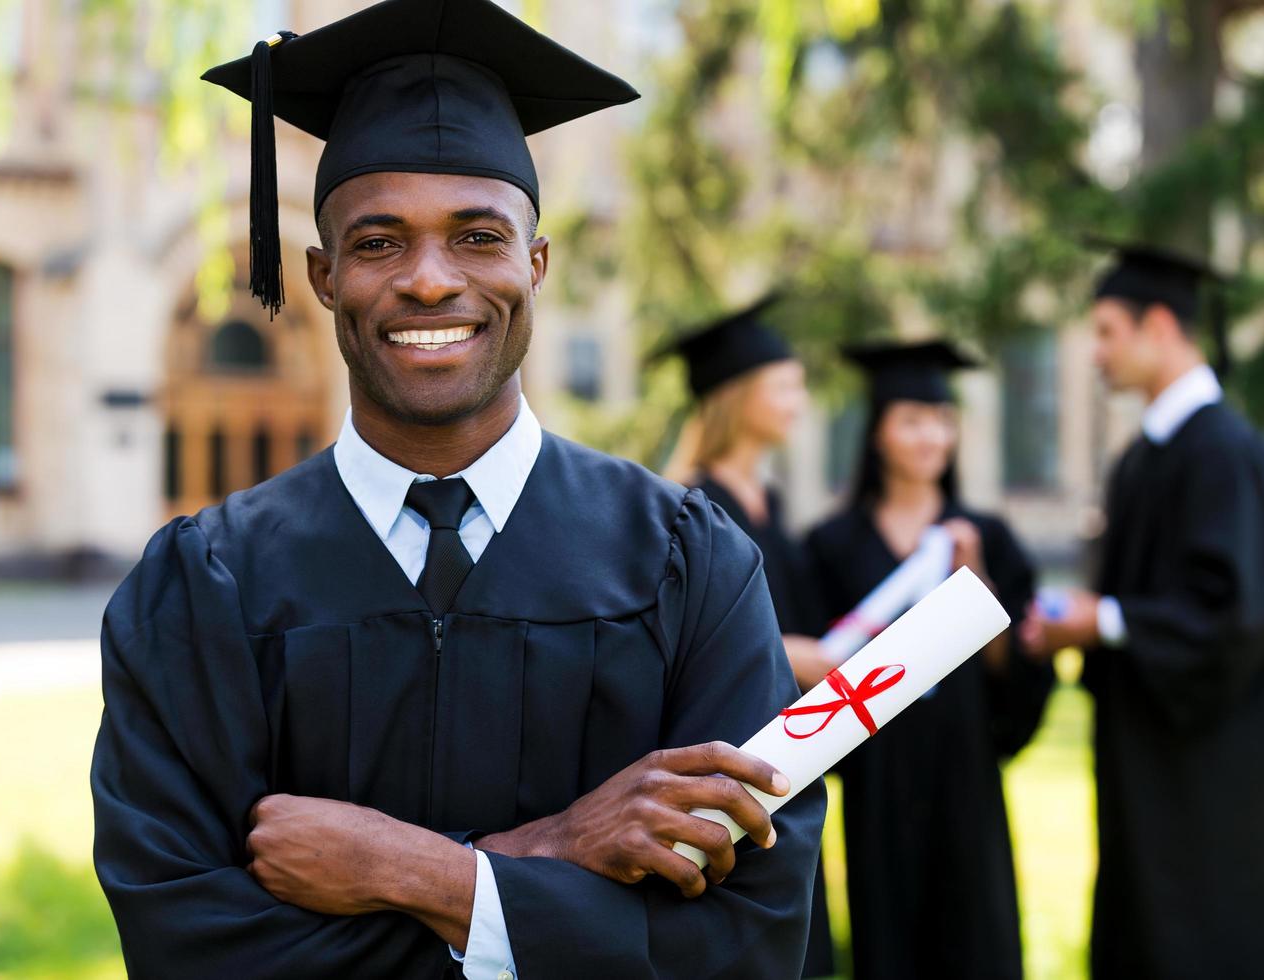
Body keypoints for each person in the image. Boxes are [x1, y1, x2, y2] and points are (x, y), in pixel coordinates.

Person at [89, 2, 825, 977]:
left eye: (476, 236)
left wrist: (431, 875)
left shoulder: (689, 562)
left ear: (536, 262)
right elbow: (189, 946)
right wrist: (550, 863)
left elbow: (747, 936)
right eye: (379, 241)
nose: (429, 280)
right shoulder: (202, 586)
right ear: (321, 274)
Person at [1021, 242, 1264, 978]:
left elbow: (1233, 618)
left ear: (1161, 327)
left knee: (1205, 936)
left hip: (1212, 773)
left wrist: (1104, 621)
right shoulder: (1144, 456)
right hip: (1142, 758)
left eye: (1107, 331)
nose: (1094, 353)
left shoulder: (1225, 455)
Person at [806, 340, 1053, 980]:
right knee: (888, 939)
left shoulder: (986, 536)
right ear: (879, 432)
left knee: (977, 935)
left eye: (942, 420)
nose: (930, 436)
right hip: (879, 778)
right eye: (912, 420)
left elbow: (1018, 671)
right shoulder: (833, 544)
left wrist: (977, 586)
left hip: (964, 771)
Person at [657, 295, 836, 978]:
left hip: (788, 759)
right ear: (738, 393)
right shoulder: (688, 509)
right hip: (721, 756)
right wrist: (792, 655)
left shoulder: (774, 503)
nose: (799, 399)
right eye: (784, 384)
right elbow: (680, 643)